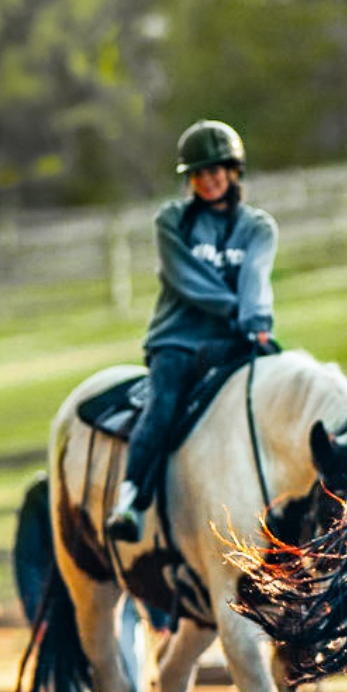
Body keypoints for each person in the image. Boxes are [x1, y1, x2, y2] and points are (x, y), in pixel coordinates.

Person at [105, 120, 279, 543]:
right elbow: (187, 281)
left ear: (233, 170)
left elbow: (255, 276)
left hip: (234, 339)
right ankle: (130, 499)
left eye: (215, 170)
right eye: (198, 174)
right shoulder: (172, 221)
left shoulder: (258, 228)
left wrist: (256, 321)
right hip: (177, 339)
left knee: (280, 386)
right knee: (163, 405)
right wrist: (237, 310)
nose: (207, 180)